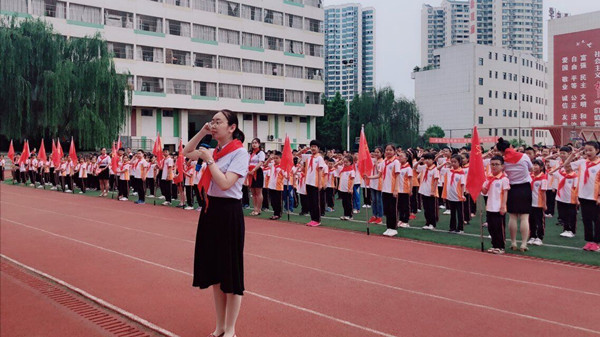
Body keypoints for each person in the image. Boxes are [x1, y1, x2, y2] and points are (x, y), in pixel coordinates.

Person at [184, 109, 248, 337]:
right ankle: (220, 325)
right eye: (212, 121)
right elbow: (186, 152)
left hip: (229, 213)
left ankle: (231, 329)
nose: (214, 124)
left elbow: (224, 184)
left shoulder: (239, 153)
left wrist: (209, 159)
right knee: (215, 272)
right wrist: (202, 131)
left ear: (232, 127)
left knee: (231, 272)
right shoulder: (213, 150)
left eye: (218, 121)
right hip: (210, 212)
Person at [496, 138, 533, 252]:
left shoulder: (503, 160)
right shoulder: (524, 156)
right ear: (511, 146)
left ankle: (513, 242)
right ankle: (523, 243)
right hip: (525, 187)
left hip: (512, 188)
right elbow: (531, 168)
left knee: (512, 216)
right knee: (524, 217)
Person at [563, 141, 600, 251]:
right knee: (586, 219)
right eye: (586, 150)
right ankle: (589, 241)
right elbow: (566, 165)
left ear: (597, 151)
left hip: (595, 196)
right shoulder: (582, 162)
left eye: (590, 150)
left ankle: (597, 242)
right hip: (583, 196)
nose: (588, 152)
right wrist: (572, 155)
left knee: (597, 220)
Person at [481, 155, 510, 254]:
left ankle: (500, 246)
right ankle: (494, 245)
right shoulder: (488, 178)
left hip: (499, 207)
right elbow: (484, 192)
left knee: (499, 228)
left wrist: (503, 206)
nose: (494, 167)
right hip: (490, 206)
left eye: (497, 164)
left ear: (502, 166)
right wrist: (479, 183)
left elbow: (505, 193)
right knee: (491, 227)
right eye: (492, 164)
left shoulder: (504, 179)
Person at [301, 140, 326, 227]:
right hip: (308, 182)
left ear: (318, 148)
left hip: (315, 182)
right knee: (310, 201)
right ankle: (312, 219)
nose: (313, 148)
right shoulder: (309, 158)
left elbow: (320, 171)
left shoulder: (319, 158)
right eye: (312, 147)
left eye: (314, 147)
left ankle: (317, 219)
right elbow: (305, 169)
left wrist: (319, 183)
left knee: (316, 202)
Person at [442, 155, 466, 233]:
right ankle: (452, 227)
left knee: (459, 213)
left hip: (458, 196)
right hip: (450, 196)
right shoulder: (449, 171)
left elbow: (462, 185)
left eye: (455, 162)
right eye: (452, 162)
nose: (453, 163)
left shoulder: (461, 173)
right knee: (452, 213)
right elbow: (439, 169)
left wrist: (462, 194)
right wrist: (447, 165)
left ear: (459, 162)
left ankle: (460, 228)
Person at [381, 144, 400, 237]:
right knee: (387, 209)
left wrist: (396, 189)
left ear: (394, 151)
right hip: (385, 189)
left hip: (392, 189)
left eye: (390, 150)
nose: (388, 152)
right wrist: (368, 177)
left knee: (393, 209)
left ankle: (393, 228)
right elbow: (380, 175)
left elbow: (397, 176)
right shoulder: (384, 162)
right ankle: (388, 227)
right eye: (386, 150)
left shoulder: (396, 162)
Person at [528, 159, 548, 246]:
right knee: (531, 220)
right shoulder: (529, 177)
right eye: (533, 164)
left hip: (538, 203)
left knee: (539, 221)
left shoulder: (543, 178)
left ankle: (539, 237)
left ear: (541, 167)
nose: (534, 167)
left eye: (537, 165)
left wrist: (544, 204)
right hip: (530, 203)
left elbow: (543, 193)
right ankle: (532, 236)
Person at [418, 153, 440, 230]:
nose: (427, 161)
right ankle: (427, 222)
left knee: (431, 209)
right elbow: (415, 168)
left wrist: (433, 191)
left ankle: (432, 223)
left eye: (429, 159)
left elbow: (436, 181)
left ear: (433, 160)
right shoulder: (424, 167)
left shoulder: (435, 169)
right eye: (425, 159)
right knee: (426, 208)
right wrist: (419, 161)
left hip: (431, 192)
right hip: (424, 191)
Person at [247, 138, 265, 216]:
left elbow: (261, 162)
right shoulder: (250, 153)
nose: (254, 144)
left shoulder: (260, 153)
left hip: (257, 172)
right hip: (250, 172)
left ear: (259, 144)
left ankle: (258, 209)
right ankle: (254, 208)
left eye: (256, 143)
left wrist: (254, 169)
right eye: (253, 143)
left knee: (258, 191)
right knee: (253, 192)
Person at [367, 147, 384, 225]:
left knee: (379, 200)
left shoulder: (382, 162)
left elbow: (380, 172)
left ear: (381, 153)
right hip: (373, 182)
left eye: (378, 152)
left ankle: (380, 217)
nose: (376, 154)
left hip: (379, 183)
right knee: (373, 200)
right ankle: (374, 215)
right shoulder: (373, 160)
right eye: (375, 152)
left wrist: (376, 164)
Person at [396, 151, 413, 228]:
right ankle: (401, 219)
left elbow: (410, 180)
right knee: (400, 205)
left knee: (405, 206)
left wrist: (410, 189)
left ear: (406, 158)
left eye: (401, 156)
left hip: (405, 190)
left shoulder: (408, 168)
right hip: (398, 189)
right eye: (399, 156)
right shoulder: (398, 167)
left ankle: (406, 220)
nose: (399, 158)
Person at [337, 155, 355, 220]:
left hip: (348, 189)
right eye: (344, 162)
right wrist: (339, 162)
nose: (345, 163)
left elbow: (352, 180)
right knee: (344, 203)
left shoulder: (351, 170)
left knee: (348, 203)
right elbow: (335, 166)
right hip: (342, 189)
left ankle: (350, 215)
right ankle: (345, 214)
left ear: (350, 162)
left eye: (346, 162)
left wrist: (350, 188)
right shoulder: (342, 169)